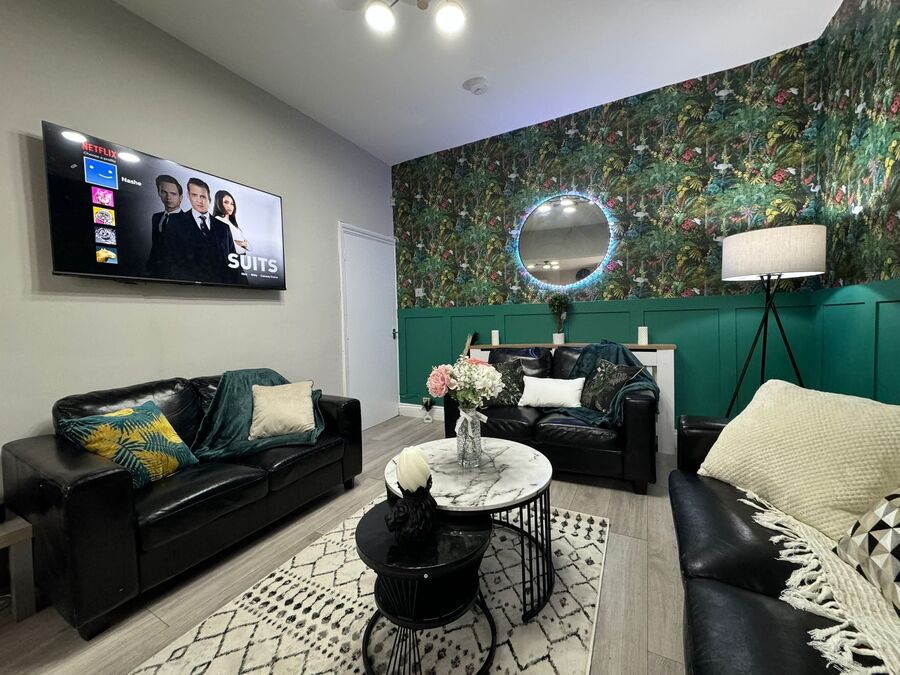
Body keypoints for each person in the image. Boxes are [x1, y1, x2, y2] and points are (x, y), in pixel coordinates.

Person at [162, 178, 238, 284]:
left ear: (209, 198)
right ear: (188, 196)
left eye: (202, 196)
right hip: (185, 287)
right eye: (194, 195)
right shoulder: (175, 221)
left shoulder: (223, 227)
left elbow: (233, 260)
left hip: (221, 287)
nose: (199, 200)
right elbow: (168, 258)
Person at [145, 175, 183, 276]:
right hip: (155, 273)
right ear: (159, 193)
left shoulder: (189, 220)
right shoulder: (156, 217)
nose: (168, 197)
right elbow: (155, 246)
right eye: (164, 192)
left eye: (173, 194)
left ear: (180, 197)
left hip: (178, 275)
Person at [213, 190, 251, 255]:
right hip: (231, 257)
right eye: (226, 202)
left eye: (232, 204)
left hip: (239, 258)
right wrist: (243, 244)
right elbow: (223, 244)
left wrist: (243, 244)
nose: (229, 206)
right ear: (218, 203)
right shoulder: (218, 220)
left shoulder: (233, 224)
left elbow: (250, 247)